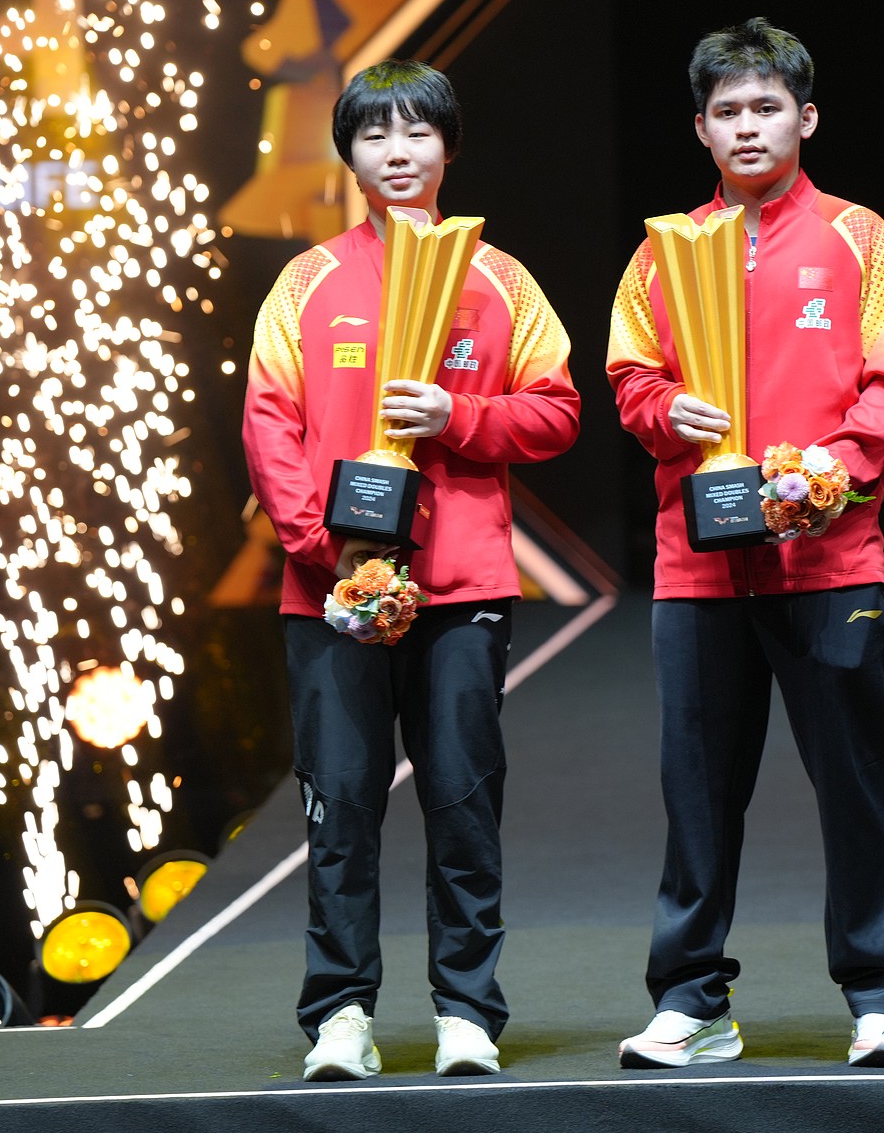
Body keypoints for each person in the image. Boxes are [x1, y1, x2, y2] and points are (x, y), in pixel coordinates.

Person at [243, 59, 580, 1080]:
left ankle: (466, 1012)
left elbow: (557, 412)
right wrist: (325, 552)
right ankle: (340, 1017)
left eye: (417, 132)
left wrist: (460, 417)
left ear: (448, 147)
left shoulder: (501, 282)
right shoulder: (306, 281)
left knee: (461, 801)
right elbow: (269, 425)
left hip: (462, 590)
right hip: (328, 593)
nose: (397, 152)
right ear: (346, 154)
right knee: (338, 803)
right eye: (374, 135)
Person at [607, 18, 884, 1068]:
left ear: (806, 117)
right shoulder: (660, 252)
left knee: (852, 787)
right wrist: (667, 417)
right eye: (726, 112)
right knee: (694, 794)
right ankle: (691, 1000)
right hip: (697, 566)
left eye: (766, 107)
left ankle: (878, 998)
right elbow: (628, 378)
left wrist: (825, 475)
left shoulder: (861, 240)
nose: (747, 127)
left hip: (828, 561)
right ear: (700, 129)